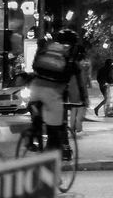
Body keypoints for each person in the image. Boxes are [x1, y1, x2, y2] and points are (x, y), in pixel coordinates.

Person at [27, 28, 79, 160]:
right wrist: (80, 100)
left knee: (37, 113)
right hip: (52, 93)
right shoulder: (69, 55)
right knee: (54, 131)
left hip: (35, 88)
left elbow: (34, 66)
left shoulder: (48, 47)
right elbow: (71, 79)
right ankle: (48, 160)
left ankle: (32, 134)